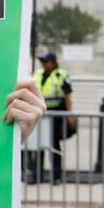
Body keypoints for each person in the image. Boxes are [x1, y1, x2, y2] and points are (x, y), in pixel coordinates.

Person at [29, 51, 73, 185]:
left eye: (45, 61)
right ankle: (37, 176)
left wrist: (70, 115)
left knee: (54, 147)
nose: (43, 64)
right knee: (37, 147)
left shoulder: (61, 75)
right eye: (42, 61)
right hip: (39, 115)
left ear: (53, 62)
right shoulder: (37, 74)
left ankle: (56, 176)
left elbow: (67, 97)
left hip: (55, 117)